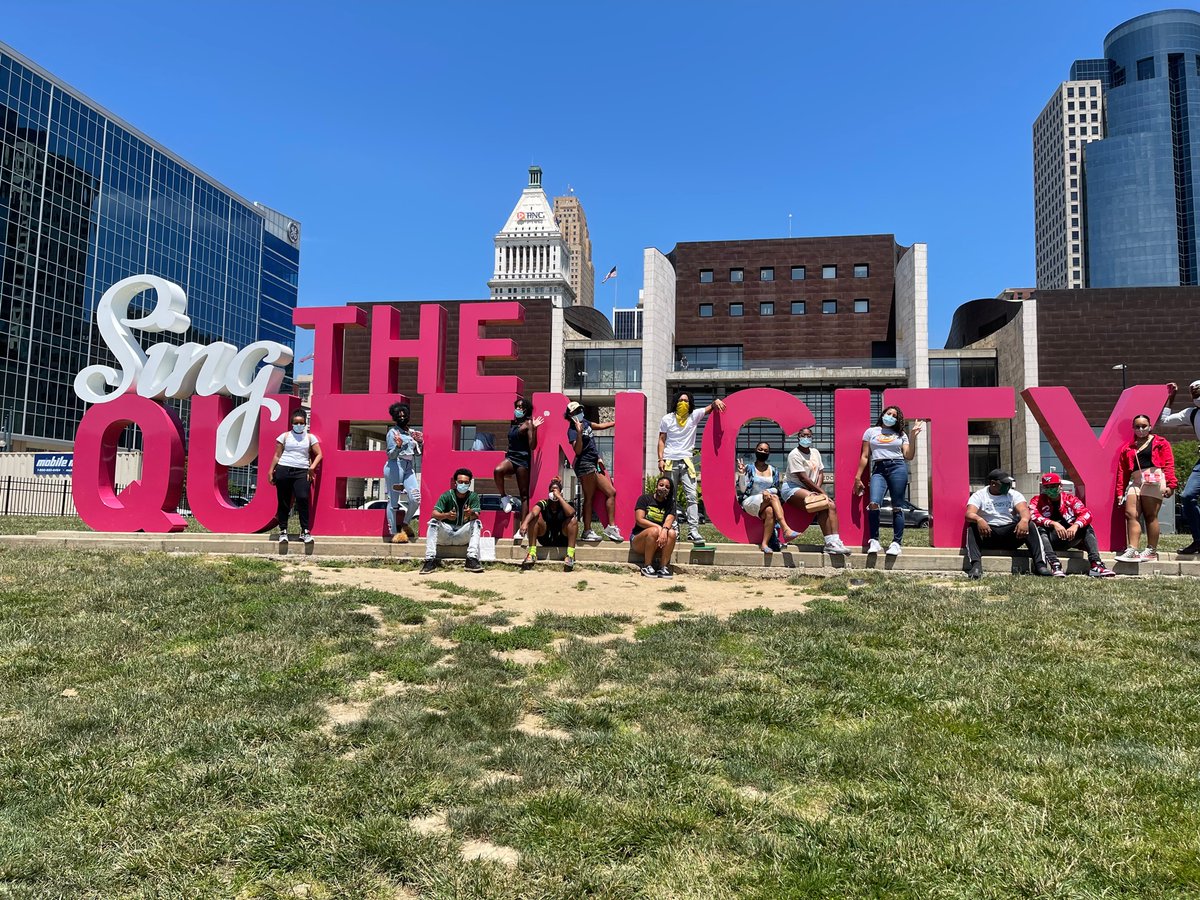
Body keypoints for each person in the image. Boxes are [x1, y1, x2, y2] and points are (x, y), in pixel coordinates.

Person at [853, 405, 923, 556]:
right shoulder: (871, 432)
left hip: (898, 467)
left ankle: (896, 543)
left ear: (897, 420)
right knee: (873, 503)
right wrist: (858, 477)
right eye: (888, 413)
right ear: (883, 414)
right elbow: (865, 456)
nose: (891, 416)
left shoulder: (901, 434)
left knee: (897, 506)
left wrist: (912, 436)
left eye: (894, 415)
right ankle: (874, 541)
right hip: (878, 469)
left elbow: (909, 456)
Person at [658, 391, 725, 545]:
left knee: (692, 496)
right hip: (670, 461)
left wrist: (716, 401)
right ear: (675, 402)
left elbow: (710, 408)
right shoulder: (667, 418)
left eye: (686, 401)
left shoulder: (694, 416)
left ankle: (693, 531)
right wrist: (660, 459)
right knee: (671, 498)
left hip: (687, 461)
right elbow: (661, 440)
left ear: (690, 403)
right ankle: (672, 528)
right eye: (681, 400)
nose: (683, 403)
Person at [963, 469, 1053, 580]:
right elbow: (969, 514)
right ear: (993, 483)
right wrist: (979, 519)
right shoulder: (979, 495)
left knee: (1030, 525)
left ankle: (1040, 565)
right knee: (972, 527)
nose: (1008, 486)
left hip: (1011, 534)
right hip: (989, 534)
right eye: (1005, 483)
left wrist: (1024, 520)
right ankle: (976, 566)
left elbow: (1024, 510)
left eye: (1009, 483)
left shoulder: (1014, 494)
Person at [1115, 413, 1177, 562]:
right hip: (1136, 481)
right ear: (1133, 428)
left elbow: (1168, 464)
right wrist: (1119, 491)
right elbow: (1122, 471)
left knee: (1150, 515)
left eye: (1144, 426)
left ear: (1150, 427)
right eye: (1137, 426)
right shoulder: (1128, 448)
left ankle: (1151, 550)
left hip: (1154, 480)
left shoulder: (1161, 442)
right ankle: (1132, 549)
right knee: (1131, 514)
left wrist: (1171, 484)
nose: (1141, 429)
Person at [1030, 472, 1116, 577]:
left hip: (1069, 536)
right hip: (1049, 539)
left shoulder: (1070, 499)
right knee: (1040, 529)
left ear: (1060, 486)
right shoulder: (1037, 500)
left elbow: (1086, 514)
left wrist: (1075, 526)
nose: (1050, 489)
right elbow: (1033, 516)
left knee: (1087, 527)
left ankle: (1096, 565)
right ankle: (1055, 564)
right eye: (1047, 487)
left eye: (1053, 486)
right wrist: (1053, 524)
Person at [781, 426, 850, 555]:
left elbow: (820, 473)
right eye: (803, 436)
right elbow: (803, 478)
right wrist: (822, 493)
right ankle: (830, 543)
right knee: (824, 502)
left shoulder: (815, 452)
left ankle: (834, 541)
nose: (806, 438)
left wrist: (818, 492)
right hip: (793, 488)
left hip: (810, 488)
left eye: (809, 436)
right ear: (798, 437)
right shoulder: (794, 454)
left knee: (830, 505)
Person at [566, 401, 622, 543]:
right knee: (589, 497)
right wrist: (579, 433)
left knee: (611, 492)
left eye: (580, 409)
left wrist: (617, 422)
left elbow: (599, 426)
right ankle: (587, 530)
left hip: (592, 462)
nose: (579, 412)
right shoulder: (572, 430)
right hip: (584, 464)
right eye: (575, 411)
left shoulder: (585, 422)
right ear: (570, 415)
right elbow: (577, 450)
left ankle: (610, 527)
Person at [737, 442, 804, 554]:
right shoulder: (749, 468)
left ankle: (764, 544)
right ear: (756, 450)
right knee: (774, 498)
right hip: (750, 501)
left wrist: (767, 491)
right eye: (760, 449)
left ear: (769, 453)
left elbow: (776, 488)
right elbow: (743, 490)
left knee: (770, 511)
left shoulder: (773, 470)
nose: (762, 452)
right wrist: (741, 474)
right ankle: (786, 529)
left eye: (765, 450)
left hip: (767, 502)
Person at [269, 409, 322, 544]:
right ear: (291, 423)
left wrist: (312, 468)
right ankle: (283, 531)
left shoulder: (310, 437)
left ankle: (305, 531)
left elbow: (319, 454)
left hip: (302, 471)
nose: (298, 425)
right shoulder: (285, 436)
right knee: (284, 501)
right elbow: (277, 455)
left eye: (301, 422)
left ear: (305, 423)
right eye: (296, 422)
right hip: (284, 469)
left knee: (303, 499)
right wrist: (271, 471)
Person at [1161, 380, 1200, 554]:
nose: (1197, 394)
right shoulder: (1191, 413)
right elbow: (1164, 421)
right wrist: (1171, 397)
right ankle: (1198, 540)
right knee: (1187, 495)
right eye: (1194, 392)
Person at [421, 468, 483, 574]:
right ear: (455, 482)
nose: (463, 484)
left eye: (466, 482)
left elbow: (476, 515)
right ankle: (429, 560)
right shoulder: (447, 495)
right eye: (460, 482)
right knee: (433, 522)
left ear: (469, 483)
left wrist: (470, 513)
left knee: (477, 523)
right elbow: (434, 514)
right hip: (446, 533)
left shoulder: (473, 496)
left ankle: (471, 558)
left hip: (462, 534)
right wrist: (446, 515)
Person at [495, 398, 543, 523]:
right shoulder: (513, 423)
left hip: (522, 461)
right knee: (498, 470)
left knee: (524, 494)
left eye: (521, 407)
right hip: (511, 457)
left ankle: (523, 527)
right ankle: (504, 497)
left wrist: (535, 428)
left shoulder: (528, 424)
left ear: (526, 409)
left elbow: (532, 446)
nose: (518, 409)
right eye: (517, 406)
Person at [518, 476, 579, 572]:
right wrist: (524, 523)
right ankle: (532, 553)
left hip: (562, 538)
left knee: (573, 520)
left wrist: (559, 497)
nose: (553, 492)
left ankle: (570, 555)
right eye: (552, 490)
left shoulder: (565, 504)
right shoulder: (544, 503)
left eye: (556, 490)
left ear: (561, 492)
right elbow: (534, 512)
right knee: (534, 518)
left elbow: (571, 513)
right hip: (546, 537)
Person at [384, 402, 422, 543]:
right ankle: (393, 532)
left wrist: (420, 442)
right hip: (395, 466)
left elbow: (417, 453)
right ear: (394, 417)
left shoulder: (410, 432)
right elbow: (391, 455)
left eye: (404, 415)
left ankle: (405, 524)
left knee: (415, 498)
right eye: (399, 415)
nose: (402, 417)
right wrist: (399, 446)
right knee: (394, 501)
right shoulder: (392, 433)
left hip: (408, 467)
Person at [632, 475, 679, 577]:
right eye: (661, 485)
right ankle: (647, 565)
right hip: (639, 539)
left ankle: (663, 567)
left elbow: (669, 520)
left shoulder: (670, 504)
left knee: (672, 533)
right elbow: (640, 520)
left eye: (667, 487)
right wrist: (658, 528)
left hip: (658, 541)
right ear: (656, 486)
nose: (663, 488)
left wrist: (664, 530)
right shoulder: (644, 499)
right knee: (654, 530)